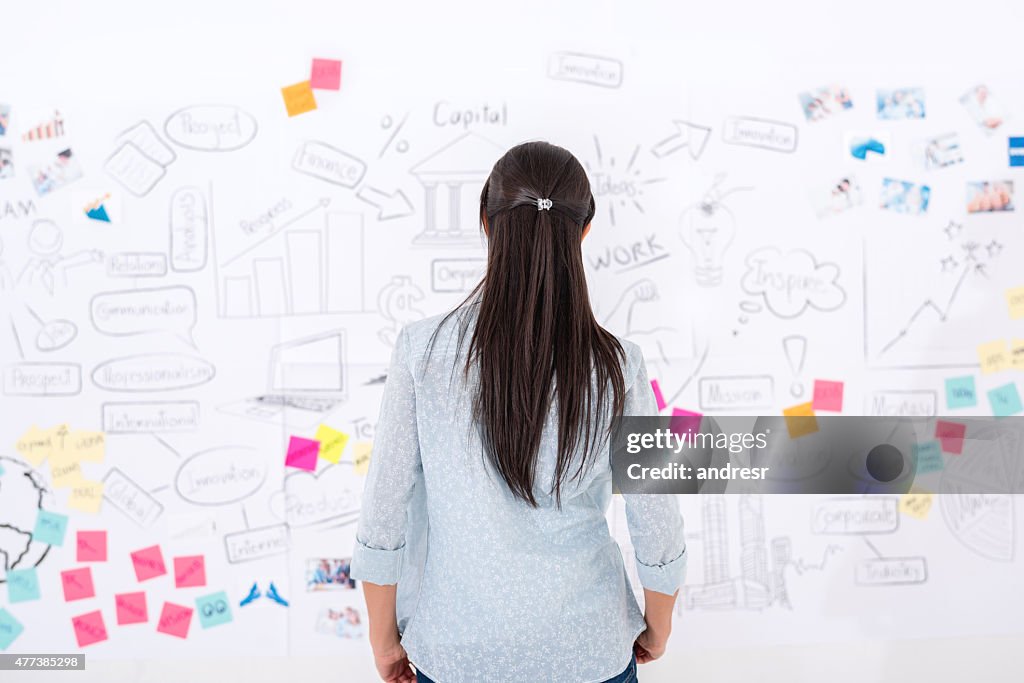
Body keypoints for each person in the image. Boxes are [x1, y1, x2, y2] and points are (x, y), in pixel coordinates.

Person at [351, 141, 687, 683]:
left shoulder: (422, 351)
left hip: (458, 650)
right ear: (583, 230)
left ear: (486, 221)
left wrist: (383, 638)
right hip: (589, 647)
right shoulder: (617, 364)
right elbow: (656, 517)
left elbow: (384, 509)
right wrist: (658, 625)